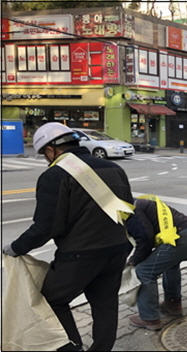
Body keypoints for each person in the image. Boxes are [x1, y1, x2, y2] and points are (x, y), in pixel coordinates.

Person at [2, 122, 134, 351]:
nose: (46, 158)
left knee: (50, 301)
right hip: (117, 249)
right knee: (105, 304)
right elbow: (128, 208)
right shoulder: (113, 168)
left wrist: (16, 248)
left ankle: (72, 348)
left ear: (51, 150)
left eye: (44, 154)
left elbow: (46, 226)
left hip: (79, 254)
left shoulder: (55, 175)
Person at [126, 196, 187, 331]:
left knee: (144, 271)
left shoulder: (129, 210)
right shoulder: (138, 203)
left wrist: (134, 260)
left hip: (185, 237)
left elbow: (144, 238)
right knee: (170, 265)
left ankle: (149, 318)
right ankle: (173, 304)